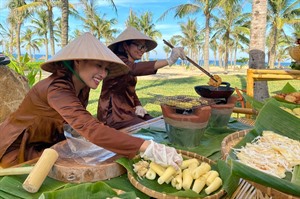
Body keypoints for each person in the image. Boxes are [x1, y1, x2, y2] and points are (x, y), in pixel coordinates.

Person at [0, 32, 182, 169]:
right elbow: (90, 129)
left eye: (106, 69)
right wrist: (146, 147)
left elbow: (78, 121)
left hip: (48, 144)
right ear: (78, 61)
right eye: (98, 66)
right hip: (19, 148)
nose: (103, 74)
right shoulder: (57, 88)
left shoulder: (82, 84)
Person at [97, 26, 186, 130]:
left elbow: (130, 90)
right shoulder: (118, 62)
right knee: (150, 129)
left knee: (160, 122)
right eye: (139, 46)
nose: (142, 50)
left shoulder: (129, 63)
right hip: (113, 115)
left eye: (144, 47)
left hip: (128, 111)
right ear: (126, 46)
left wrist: (138, 105)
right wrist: (169, 60)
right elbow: (133, 69)